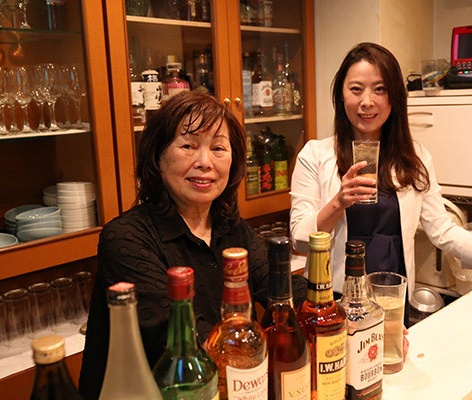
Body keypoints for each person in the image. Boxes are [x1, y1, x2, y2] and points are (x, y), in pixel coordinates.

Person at [289, 41, 472, 304]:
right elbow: (300, 239)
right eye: (356, 89)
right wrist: (338, 203)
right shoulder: (315, 155)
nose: (367, 101)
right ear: (341, 95)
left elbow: (442, 230)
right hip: (333, 299)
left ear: (394, 97)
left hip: (394, 297)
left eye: (380, 89)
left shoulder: (414, 157)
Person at [78, 91, 307, 399]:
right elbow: (180, 341)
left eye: (218, 148)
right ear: (158, 157)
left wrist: (331, 309)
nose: (205, 162)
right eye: (188, 146)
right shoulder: (126, 238)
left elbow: (279, 286)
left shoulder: (230, 227)